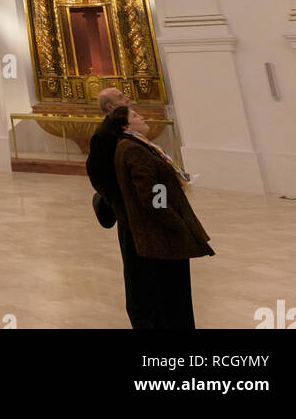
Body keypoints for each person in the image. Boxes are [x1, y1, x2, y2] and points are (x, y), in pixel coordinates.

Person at [113, 104, 214, 328]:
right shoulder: (134, 149)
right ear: (126, 125)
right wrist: (175, 221)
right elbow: (151, 194)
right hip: (162, 236)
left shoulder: (135, 146)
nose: (142, 117)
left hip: (159, 233)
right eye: (135, 115)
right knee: (172, 298)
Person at [86, 87, 155, 328]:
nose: (127, 97)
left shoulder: (122, 135)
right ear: (110, 108)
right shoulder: (105, 137)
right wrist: (120, 203)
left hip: (138, 215)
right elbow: (99, 175)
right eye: (120, 97)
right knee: (138, 275)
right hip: (131, 217)